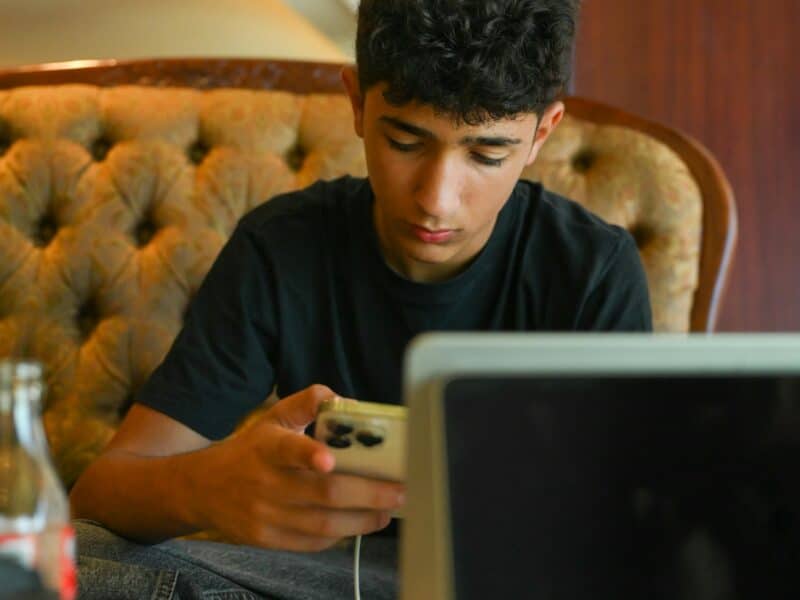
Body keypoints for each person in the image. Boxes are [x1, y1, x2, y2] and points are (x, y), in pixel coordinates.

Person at [69, 0, 651, 598]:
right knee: (73, 561)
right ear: (356, 102)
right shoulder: (283, 247)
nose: (436, 200)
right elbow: (98, 497)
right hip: (322, 578)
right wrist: (207, 486)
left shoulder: (591, 271)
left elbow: (623, 529)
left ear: (542, 132)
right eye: (404, 140)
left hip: (514, 582)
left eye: (486, 155)